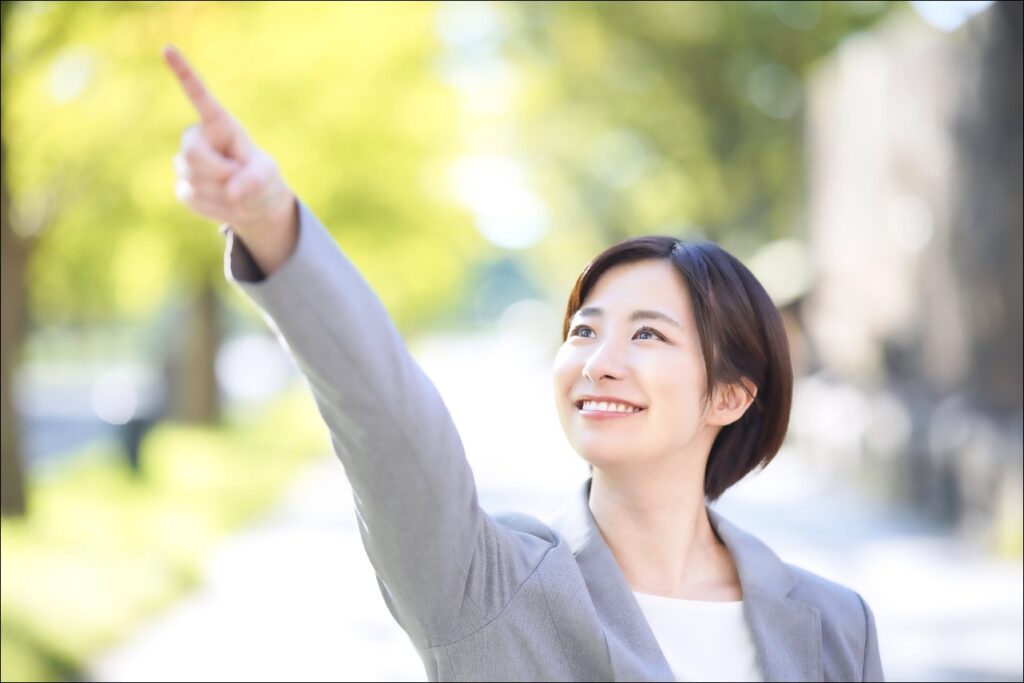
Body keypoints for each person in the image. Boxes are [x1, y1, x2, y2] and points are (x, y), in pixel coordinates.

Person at [164, 45, 884, 682]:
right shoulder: (486, 587)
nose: (598, 361)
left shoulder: (834, 627)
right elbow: (386, 418)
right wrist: (270, 224)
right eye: (582, 330)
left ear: (727, 395)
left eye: (648, 336)